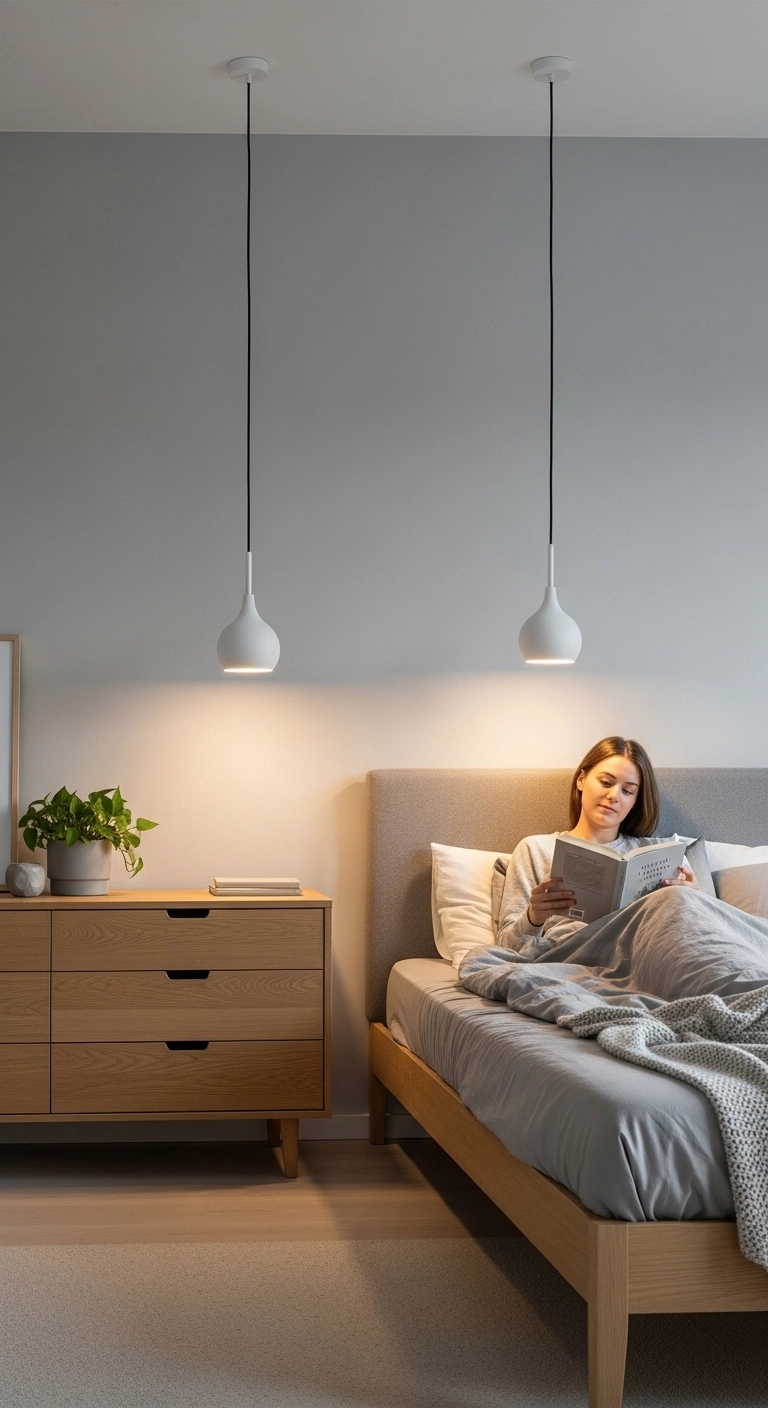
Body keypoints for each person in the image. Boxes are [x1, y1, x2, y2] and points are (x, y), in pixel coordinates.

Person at [495, 736, 698, 957]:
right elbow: (504, 948)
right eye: (606, 782)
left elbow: (702, 937)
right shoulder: (536, 849)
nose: (613, 796)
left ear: (635, 801)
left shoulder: (664, 854)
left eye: (627, 791)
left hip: (649, 955)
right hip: (570, 956)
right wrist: (533, 917)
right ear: (581, 780)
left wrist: (696, 900)